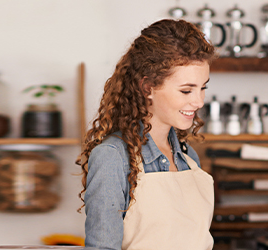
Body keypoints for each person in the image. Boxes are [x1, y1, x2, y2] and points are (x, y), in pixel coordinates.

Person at [76, 19, 215, 250]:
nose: (198, 101)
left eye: (203, 88)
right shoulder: (113, 157)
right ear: (147, 87)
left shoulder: (188, 157)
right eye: (186, 90)